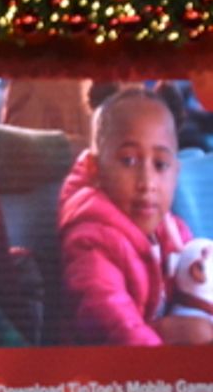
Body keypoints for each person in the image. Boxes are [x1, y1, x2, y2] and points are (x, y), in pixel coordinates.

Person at [58, 87, 213, 345]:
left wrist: (197, 275)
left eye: (160, 165)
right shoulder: (92, 241)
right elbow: (115, 325)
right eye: (129, 161)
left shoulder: (171, 229)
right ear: (95, 169)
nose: (147, 182)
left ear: (176, 173)